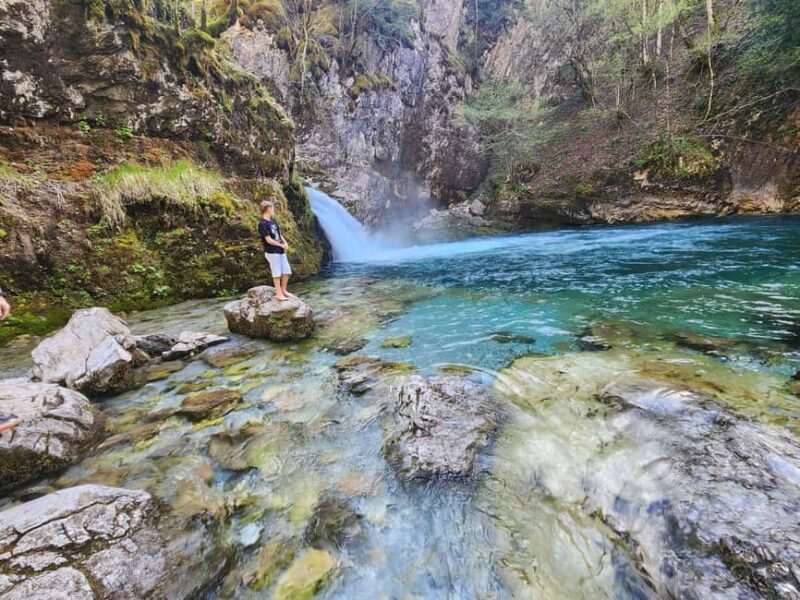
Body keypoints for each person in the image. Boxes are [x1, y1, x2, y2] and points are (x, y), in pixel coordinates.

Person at [258, 199, 296, 301]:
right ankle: (278, 294)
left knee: (286, 271)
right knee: (276, 273)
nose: (273, 210)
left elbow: (279, 234)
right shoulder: (262, 224)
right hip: (272, 252)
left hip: (280, 250)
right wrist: (281, 245)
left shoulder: (273, 221)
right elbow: (268, 239)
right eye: (272, 208)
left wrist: (285, 242)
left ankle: (284, 290)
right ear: (268, 209)